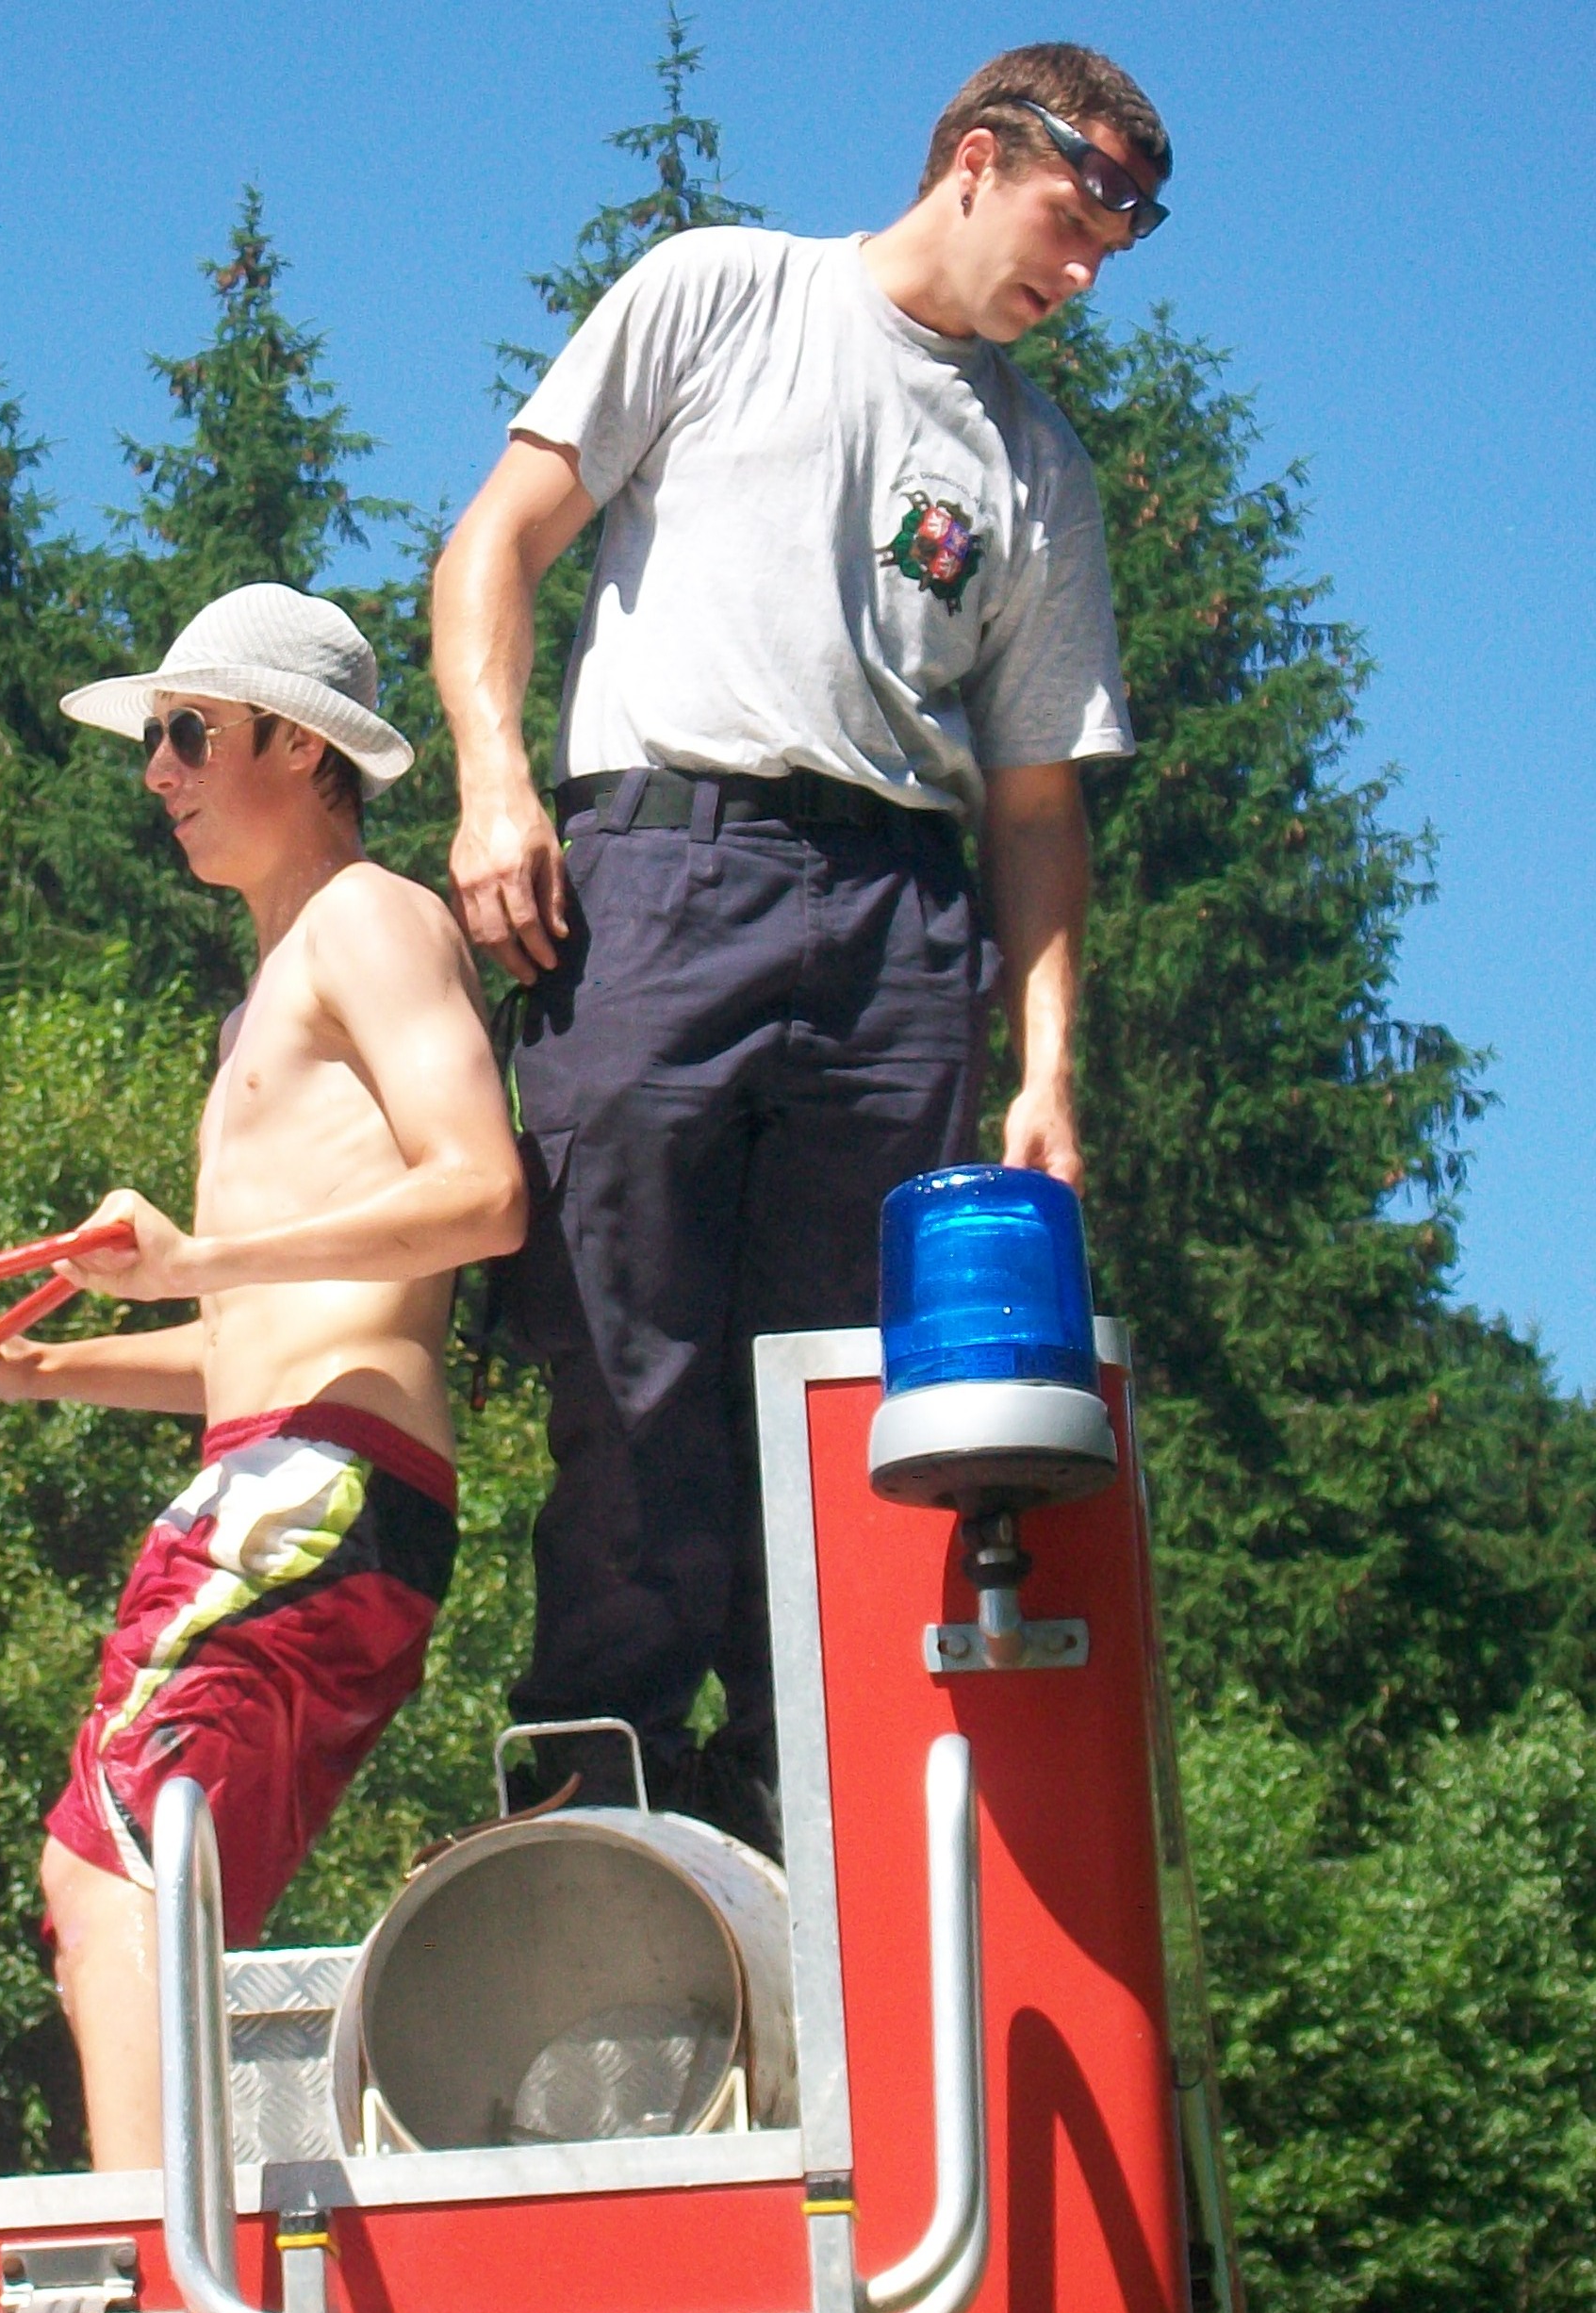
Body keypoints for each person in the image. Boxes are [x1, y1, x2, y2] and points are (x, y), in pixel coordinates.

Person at [431, 42, 1169, 1853]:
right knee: (627, 1357)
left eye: (1115, 246)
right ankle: (587, 1812)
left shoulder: (1033, 467)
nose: (1082, 274)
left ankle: (799, 1810)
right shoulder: (721, 290)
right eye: (1072, 221)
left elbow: (1033, 810)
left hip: (898, 930)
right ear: (975, 157)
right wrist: (493, 782)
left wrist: (1045, 1070)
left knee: (847, 1389)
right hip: (658, 871)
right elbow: (497, 542)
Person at [0, 584, 528, 2168]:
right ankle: (177, 2244)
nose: (157, 770)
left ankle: (155, 2268)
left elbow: (484, 1191)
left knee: (111, 1868)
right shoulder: (274, 989)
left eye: (187, 731)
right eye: (157, 738)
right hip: (300, 1481)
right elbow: (252, 1338)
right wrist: (42, 1364)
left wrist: (198, 1259)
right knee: (149, 1880)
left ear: (299, 743)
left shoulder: (370, 918)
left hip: (309, 1489)